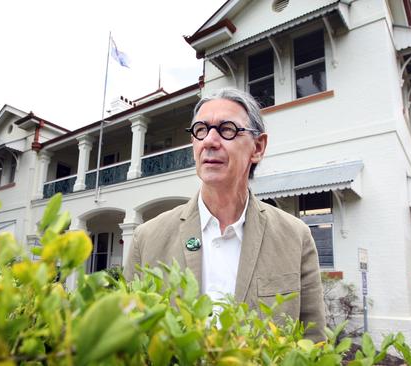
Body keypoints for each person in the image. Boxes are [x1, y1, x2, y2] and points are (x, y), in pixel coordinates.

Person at [123, 88, 325, 341]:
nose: (209, 141)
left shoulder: (295, 237)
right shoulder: (147, 237)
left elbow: (313, 342)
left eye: (227, 129)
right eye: (201, 130)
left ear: (258, 147)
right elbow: (129, 338)